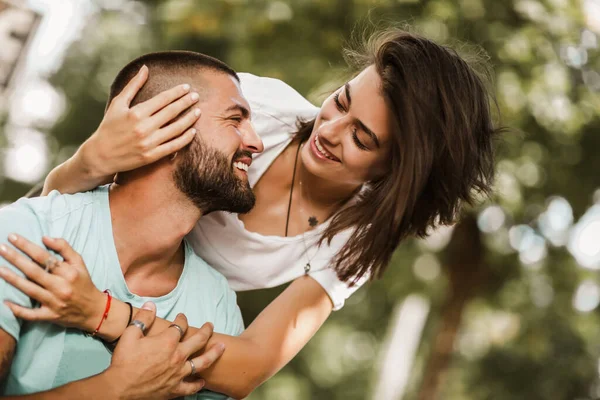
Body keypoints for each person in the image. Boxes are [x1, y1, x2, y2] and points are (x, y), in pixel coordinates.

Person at [2, 28, 500, 398]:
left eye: (361, 137)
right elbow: (88, 198)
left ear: (392, 171)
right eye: (341, 102)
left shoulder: (351, 240)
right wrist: (88, 160)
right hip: (102, 252)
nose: (328, 130)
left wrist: (102, 315)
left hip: (184, 320)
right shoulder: (260, 109)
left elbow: (248, 365)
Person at [0, 51, 264, 399]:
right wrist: (118, 388)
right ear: (166, 126)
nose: (256, 143)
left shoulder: (217, 305)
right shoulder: (26, 233)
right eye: (235, 120)